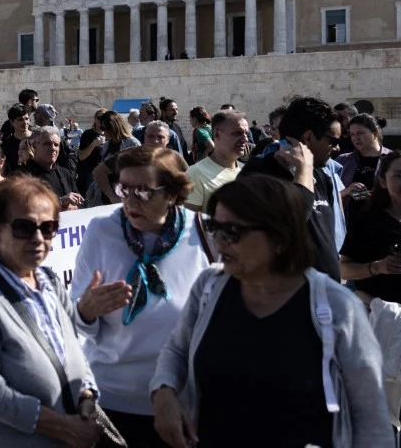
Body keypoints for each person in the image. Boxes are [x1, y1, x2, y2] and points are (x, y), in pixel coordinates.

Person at [150, 175, 393, 448]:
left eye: (233, 231)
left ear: (280, 236)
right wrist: (163, 392)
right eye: (214, 227)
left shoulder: (336, 307)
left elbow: (371, 417)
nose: (218, 242)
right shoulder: (209, 287)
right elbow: (177, 350)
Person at [72, 146, 209, 446]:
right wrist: (86, 309)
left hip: (180, 402)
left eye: (144, 192)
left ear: (172, 193)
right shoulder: (101, 230)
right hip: (111, 400)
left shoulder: (205, 234)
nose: (130, 201)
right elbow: (74, 320)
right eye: (124, 189)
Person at [0, 176, 102, 448]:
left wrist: (87, 396)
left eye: (48, 228)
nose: (38, 238)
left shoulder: (50, 282)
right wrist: (61, 426)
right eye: (24, 228)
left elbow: (74, 351)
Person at [240, 96, 342, 280]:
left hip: (326, 298)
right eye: (332, 141)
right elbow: (291, 221)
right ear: (309, 137)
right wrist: (303, 169)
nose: (336, 148)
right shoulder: (258, 175)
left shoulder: (320, 175)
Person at [340, 151, 401, 303]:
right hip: (381, 317)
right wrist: (377, 267)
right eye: (399, 176)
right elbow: (343, 270)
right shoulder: (368, 221)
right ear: (382, 182)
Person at [184, 110, 249, 213]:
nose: (245, 139)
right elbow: (188, 223)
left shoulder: (247, 171)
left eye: (246, 134)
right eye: (237, 133)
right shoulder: (196, 174)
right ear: (217, 135)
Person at [338, 113, 391, 220]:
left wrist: (378, 195)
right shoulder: (343, 160)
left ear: (375, 133)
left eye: (360, 133)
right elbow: (328, 194)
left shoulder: (392, 159)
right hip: (350, 225)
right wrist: (347, 191)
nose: (355, 138)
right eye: (352, 134)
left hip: (384, 224)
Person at [21, 126, 83, 211]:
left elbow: (80, 205)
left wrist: (73, 207)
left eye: (56, 145)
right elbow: (25, 208)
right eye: (47, 144)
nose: (53, 148)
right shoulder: (22, 176)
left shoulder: (65, 174)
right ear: (35, 146)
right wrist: (60, 203)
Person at [89, 111, 141, 205]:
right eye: (101, 128)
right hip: (105, 194)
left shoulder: (132, 144)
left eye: (105, 128)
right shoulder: (107, 146)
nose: (103, 131)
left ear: (113, 127)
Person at [76, 109, 108, 195]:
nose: (101, 121)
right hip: (89, 174)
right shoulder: (88, 134)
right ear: (95, 119)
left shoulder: (109, 135)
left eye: (104, 118)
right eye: (99, 118)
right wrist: (93, 144)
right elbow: (81, 156)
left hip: (105, 175)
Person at [0, 103, 31, 174]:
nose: (25, 122)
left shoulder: (37, 138)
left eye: (26, 119)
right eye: (20, 120)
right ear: (11, 122)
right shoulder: (7, 143)